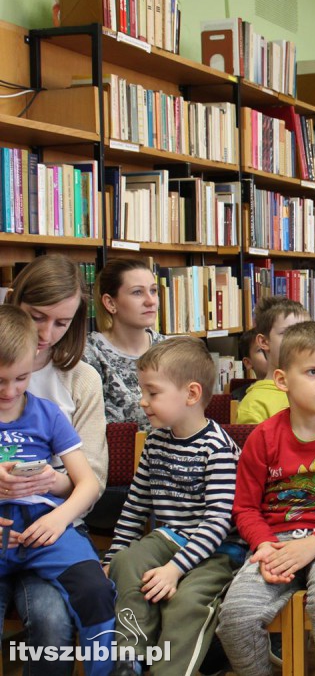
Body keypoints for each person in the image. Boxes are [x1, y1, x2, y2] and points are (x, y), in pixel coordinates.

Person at [218, 322, 315, 676]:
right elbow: (244, 507)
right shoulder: (263, 438)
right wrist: (265, 544)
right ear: (282, 380)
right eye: (313, 372)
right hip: (274, 544)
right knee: (236, 617)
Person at [103, 337, 242, 676]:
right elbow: (135, 506)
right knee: (127, 561)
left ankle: (170, 670)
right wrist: (111, 559)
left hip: (217, 550)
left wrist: (175, 569)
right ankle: (130, 659)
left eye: (153, 393)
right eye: (143, 392)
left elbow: (217, 522)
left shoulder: (218, 450)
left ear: (191, 395)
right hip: (170, 538)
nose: (143, 402)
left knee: (186, 602)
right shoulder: (155, 442)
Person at [3, 254, 110, 670]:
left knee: (52, 622)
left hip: (54, 526)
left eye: (61, 323)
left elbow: (92, 478)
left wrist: (47, 482)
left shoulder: (81, 379)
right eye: (36, 317)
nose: (46, 334)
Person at [83, 258, 166, 430]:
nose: (151, 301)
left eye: (153, 291)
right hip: (114, 454)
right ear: (110, 303)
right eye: (137, 292)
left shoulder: (171, 350)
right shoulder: (90, 353)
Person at [235, 297, 310, 425]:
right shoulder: (254, 405)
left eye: (307, 332)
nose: (300, 340)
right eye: (288, 333)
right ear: (264, 342)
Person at [231, 329, 268, 402]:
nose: (269, 353)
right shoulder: (238, 398)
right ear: (248, 363)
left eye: (271, 346)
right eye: (260, 350)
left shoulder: (292, 390)